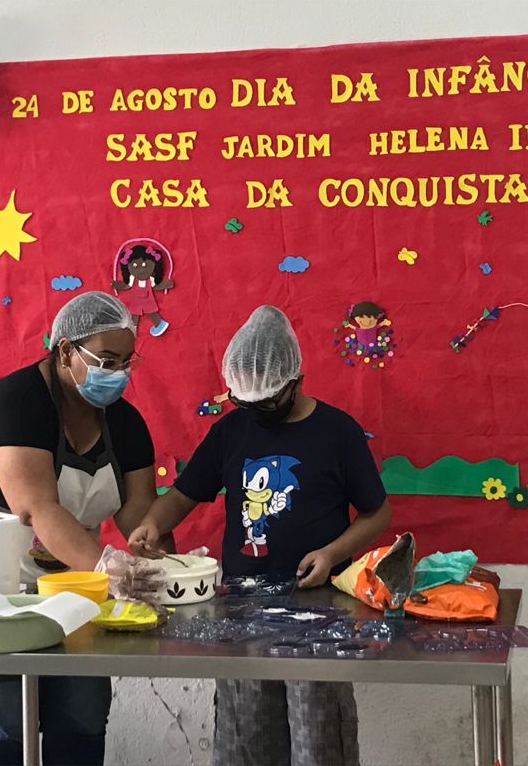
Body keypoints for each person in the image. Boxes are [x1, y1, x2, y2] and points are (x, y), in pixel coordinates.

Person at [0, 291, 170, 766]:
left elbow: (138, 509)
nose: (117, 373)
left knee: (83, 713)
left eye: (126, 361)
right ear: (66, 350)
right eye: (106, 360)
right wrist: (109, 567)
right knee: (6, 724)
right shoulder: (17, 403)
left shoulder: (126, 424)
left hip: (68, 576)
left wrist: (161, 558)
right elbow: (37, 508)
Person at [128, 305, 392, 766]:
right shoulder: (231, 430)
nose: (256, 413)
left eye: (267, 402)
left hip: (319, 607)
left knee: (318, 734)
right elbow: (183, 496)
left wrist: (331, 554)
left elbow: (378, 513)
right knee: (244, 734)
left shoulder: (337, 432)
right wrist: (154, 522)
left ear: (297, 381)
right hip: (241, 605)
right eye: (245, 403)